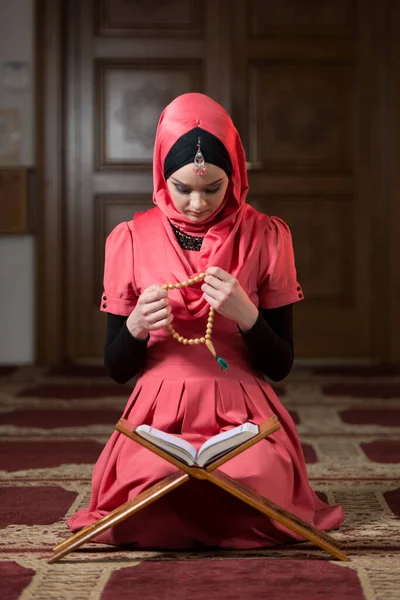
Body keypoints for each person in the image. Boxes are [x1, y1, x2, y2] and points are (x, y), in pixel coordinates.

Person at [67, 93, 344, 548]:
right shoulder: (130, 239)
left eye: (213, 188)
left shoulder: (267, 235)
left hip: (244, 411)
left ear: (234, 175)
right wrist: (136, 326)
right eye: (183, 188)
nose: (197, 203)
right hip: (158, 412)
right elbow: (116, 369)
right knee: (151, 480)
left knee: (254, 476)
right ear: (162, 175)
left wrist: (248, 316)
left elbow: (280, 365)